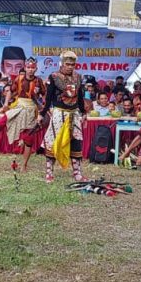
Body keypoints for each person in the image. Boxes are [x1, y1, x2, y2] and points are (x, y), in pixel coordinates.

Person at [0, 57, 45, 169]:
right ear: (25, 68)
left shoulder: (38, 81)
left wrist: (42, 109)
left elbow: (44, 95)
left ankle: (24, 166)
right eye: (28, 67)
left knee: (28, 138)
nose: (30, 70)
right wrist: (6, 104)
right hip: (18, 107)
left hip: (31, 110)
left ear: (36, 69)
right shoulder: (19, 78)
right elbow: (10, 92)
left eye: (33, 68)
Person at [43, 51, 88, 183]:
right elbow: (48, 98)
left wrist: (84, 112)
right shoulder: (54, 77)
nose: (70, 67)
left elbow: (80, 97)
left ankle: (77, 173)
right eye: (68, 64)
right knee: (53, 141)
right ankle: (49, 172)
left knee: (76, 141)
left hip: (74, 114)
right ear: (62, 64)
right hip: (59, 114)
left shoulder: (78, 77)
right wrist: (42, 113)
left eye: (72, 65)